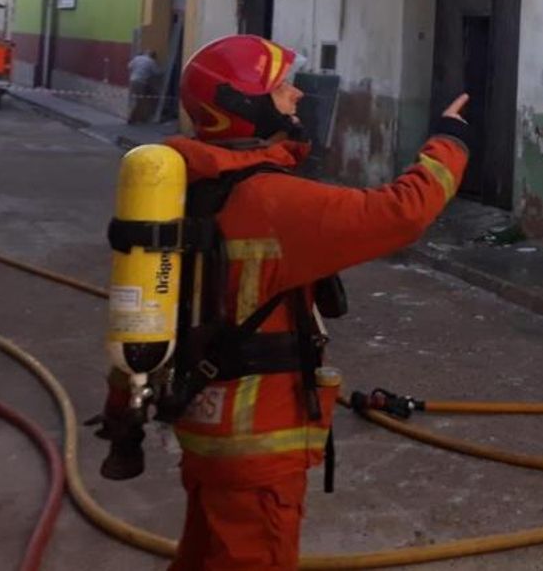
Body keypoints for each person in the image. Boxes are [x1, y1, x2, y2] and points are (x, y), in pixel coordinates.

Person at [101, 34, 469, 570]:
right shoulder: (273, 201)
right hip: (258, 450)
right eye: (280, 87)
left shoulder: (183, 188)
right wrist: (449, 141)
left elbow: (136, 315)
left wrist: (121, 415)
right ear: (243, 105)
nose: (296, 94)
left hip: (204, 434)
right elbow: (403, 212)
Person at [127, 49, 163, 124]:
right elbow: (157, 72)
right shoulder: (151, 61)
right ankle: (132, 118)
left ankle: (139, 118)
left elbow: (129, 66)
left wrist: (138, 70)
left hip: (133, 81)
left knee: (137, 100)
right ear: (153, 56)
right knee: (139, 101)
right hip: (141, 82)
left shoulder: (137, 58)